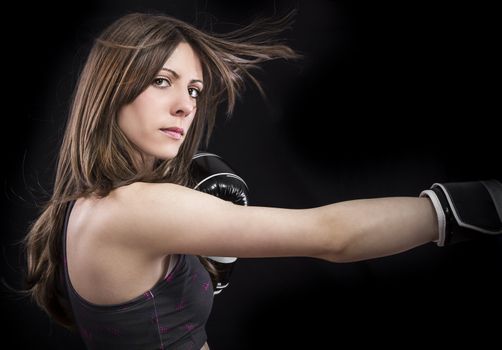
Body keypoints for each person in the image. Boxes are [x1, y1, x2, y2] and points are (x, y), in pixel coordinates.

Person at [22, 11, 501, 350]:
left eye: (193, 90)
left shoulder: (85, 206)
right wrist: (474, 205)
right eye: (162, 81)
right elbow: (333, 235)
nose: (186, 104)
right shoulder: (138, 210)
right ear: (112, 88)